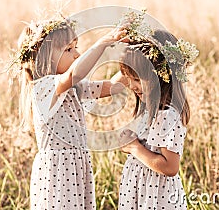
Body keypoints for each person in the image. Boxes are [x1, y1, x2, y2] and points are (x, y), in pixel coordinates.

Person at [14, 18, 126, 209]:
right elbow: (75, 73)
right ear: (44, 58)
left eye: (76, 47)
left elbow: (113, 87)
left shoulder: (73, 88)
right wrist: (103, 43)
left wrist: (137, 63)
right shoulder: (43, 88)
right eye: (68, 49)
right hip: (57, 173)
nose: (77, 54)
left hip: (76, 169)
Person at [118, 29, 199, 209]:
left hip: (156, 197)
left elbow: (170, 167)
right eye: (129, 78)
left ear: (161, 76)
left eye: (137, 79)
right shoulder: (151, 108)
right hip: (143, 191)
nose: (131, 86)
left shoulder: (167, 114)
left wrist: (134, 147)